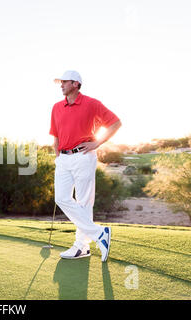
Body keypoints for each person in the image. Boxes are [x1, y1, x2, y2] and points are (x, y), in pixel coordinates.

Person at [49, 70, 122, 262]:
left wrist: (97, 143)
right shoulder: (57, 107)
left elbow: (115, 123)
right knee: (61, 198)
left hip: (83, 156)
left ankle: (81, 246)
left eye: (64, 82)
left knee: (84, 202)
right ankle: (99, 234)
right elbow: (55, 134)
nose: (61, 85)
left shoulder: (92, 103)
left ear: (75, 84)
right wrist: (57, 154)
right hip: (63, 159)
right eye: (61, 82)